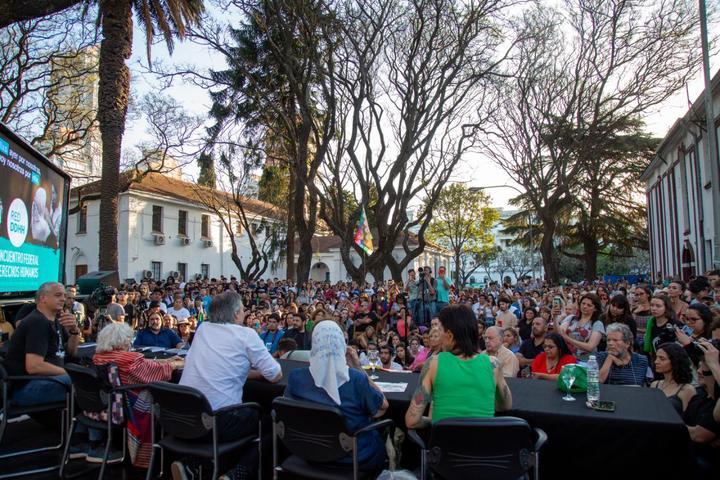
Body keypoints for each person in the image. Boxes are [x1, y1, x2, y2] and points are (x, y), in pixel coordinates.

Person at [176, 291, 282, 479]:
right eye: (242, 309)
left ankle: (194, 465)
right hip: (218, 421)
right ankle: (238, 473)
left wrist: (248, 374)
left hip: (184, 418)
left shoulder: (202, 329)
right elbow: (275, 375)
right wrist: (257, 375)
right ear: (235, 314)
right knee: (272, 423)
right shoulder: (246, 335)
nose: (244, 313)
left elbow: (220, 367)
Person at [73, 323, 182, 467]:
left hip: (98, 407)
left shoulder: (99, 357)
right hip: (124, 408)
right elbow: (151, 373)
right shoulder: (130, 360)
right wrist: (174, 364)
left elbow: (146, 364)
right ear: (123, 340)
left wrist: (165, 361)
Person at [285, 320, 389, 471]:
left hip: (307, 453)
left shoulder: (296, 377)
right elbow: (382, 407)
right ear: (342, 344)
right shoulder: (355, 379)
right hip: (352, 458)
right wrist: (358, 367)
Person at [405, 304, 512, 428]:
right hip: (482, 444)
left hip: (445, 444)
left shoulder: (433, 363)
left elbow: (412, 421)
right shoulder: (493, 364)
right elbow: (506, 405)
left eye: (440, 331)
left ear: (450, 335)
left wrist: (435, 421)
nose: (438, 336)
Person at [4, 282, 79, 406]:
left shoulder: (55, 320)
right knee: (85, 385)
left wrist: (74, 331)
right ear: (43, 298)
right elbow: (34, 366)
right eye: (58, 295)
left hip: (48, 380)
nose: (63, 299)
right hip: (27, 387)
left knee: (87, 380)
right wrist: (67, 372)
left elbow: (71, 351)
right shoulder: (37, 322)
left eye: (64, 296)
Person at [651, 343, 695, 415]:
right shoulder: (654, 384)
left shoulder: (687, 389)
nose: (656, 362)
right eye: (656, 357)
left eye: (662, 359)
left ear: (675, 361)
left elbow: (688, 418)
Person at [560, 293, 605, 362]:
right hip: (568, 359)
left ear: (595, 308)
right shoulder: (571, 318)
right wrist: (554, 316)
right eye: (583, 303)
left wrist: (568, 339)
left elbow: (590, 347)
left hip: (586, 362)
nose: (584, 306)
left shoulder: (597, 324)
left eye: (589, 305)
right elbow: (559, 333)